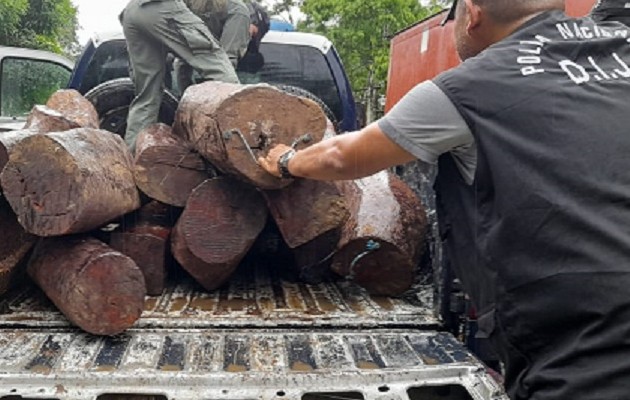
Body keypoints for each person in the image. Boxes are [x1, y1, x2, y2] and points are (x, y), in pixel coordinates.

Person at [259, 0, 630, 399]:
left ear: (472, 15)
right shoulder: (620, 51)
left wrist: (286, 160)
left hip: (583, 346)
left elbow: (342, 156)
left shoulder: (469, 87)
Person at [120, 0, 239, 151]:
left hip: (133, 11)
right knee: (220, 69)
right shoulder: (238, 10)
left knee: (146, 97)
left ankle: (132, 160)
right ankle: (243, 139)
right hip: (163, 6)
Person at [176, 0, 251, 91]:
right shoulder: (184, 7)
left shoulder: (236, 10)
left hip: (219, 90)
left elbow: (227, 59)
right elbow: (183, 57)